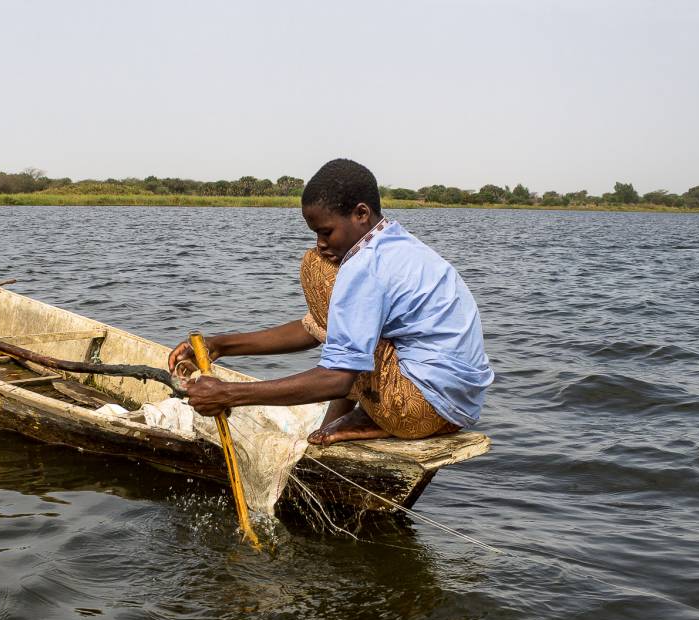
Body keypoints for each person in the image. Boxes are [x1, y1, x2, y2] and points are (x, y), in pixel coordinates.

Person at [169, 158, 493, 444]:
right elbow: (316, 330)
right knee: (335, 294)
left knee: (316, 266)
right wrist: (220, 346)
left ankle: (375, 414)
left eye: (326, 232)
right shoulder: (395, 241)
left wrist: (229, 394)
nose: (321, 243)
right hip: (458, 409)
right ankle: (364, 413)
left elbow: (338, 378)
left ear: (361, 214)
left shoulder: (364, 267)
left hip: (419, 408)